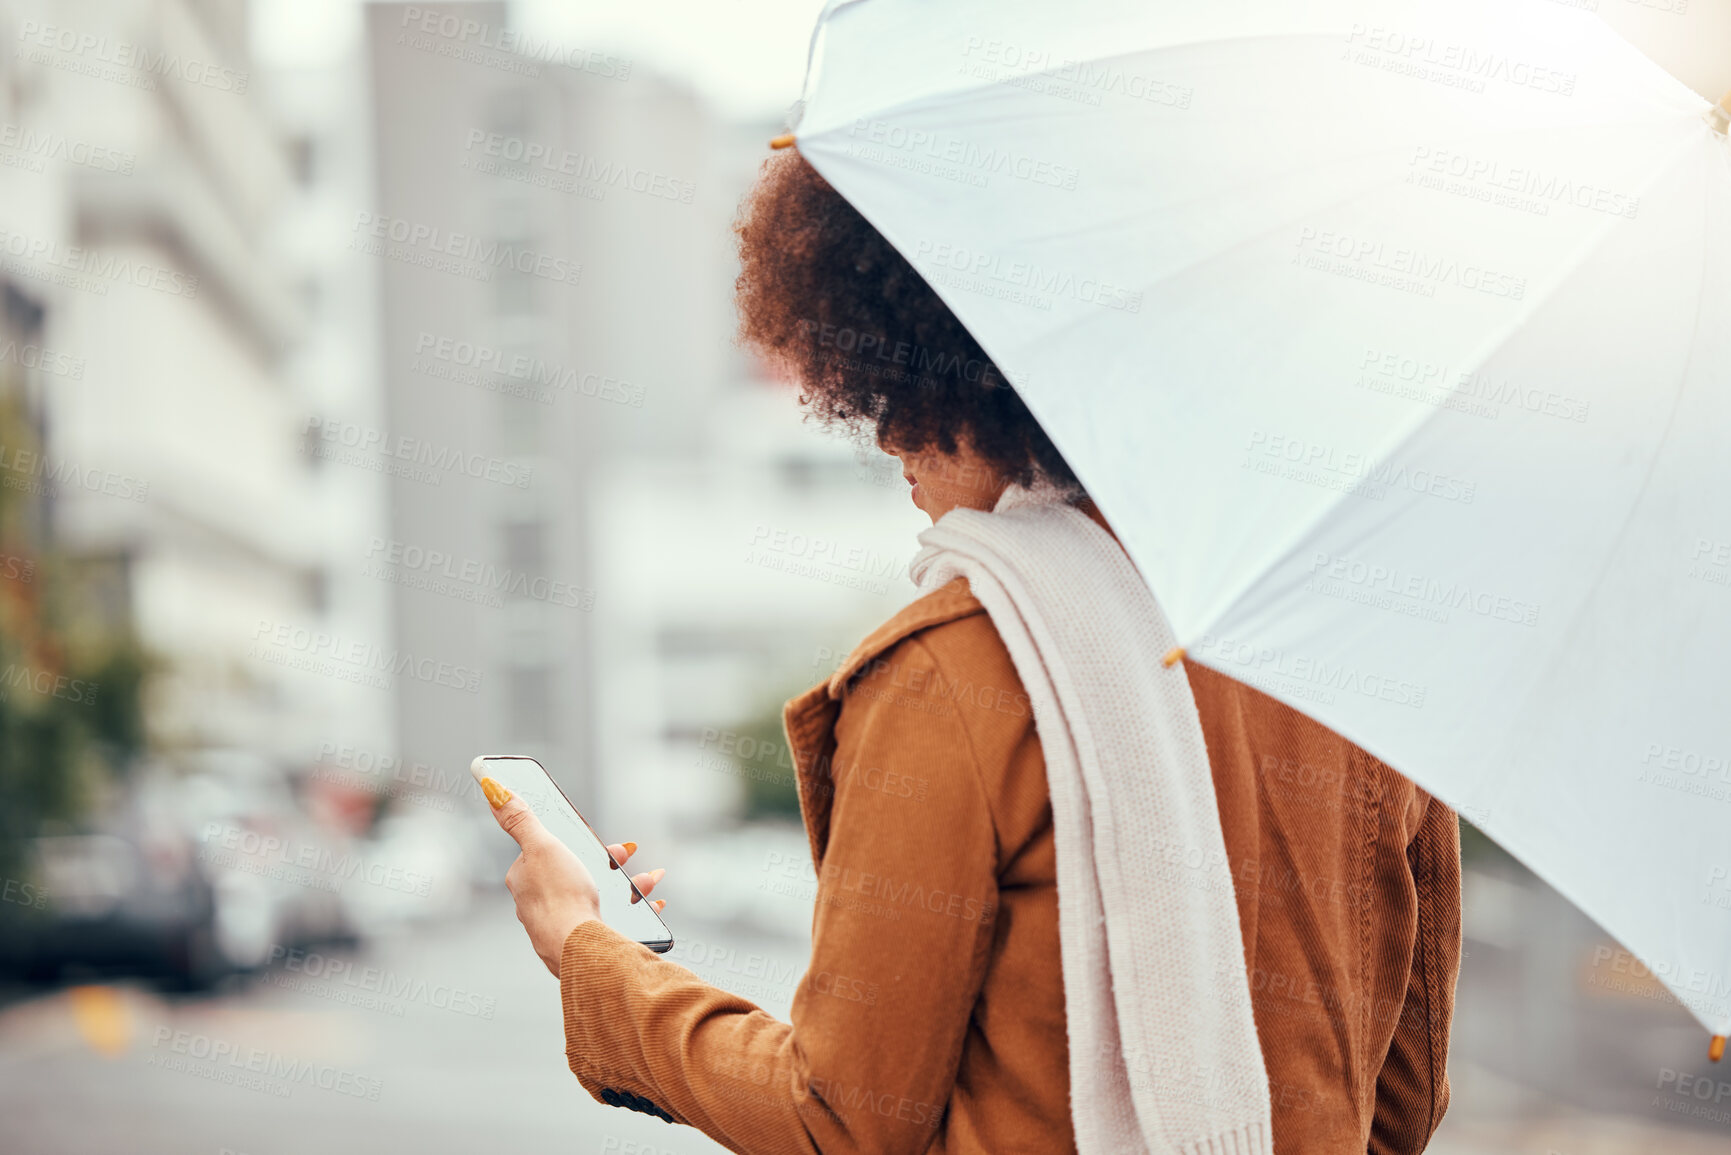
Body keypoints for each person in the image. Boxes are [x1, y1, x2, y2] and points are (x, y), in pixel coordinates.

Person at [483, 150, 1463, 1154]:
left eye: (889, 410)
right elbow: (1402, 1101)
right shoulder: (1348, 656)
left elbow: (842, 1121)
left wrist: (589, 951)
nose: (888, 442)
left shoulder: (952, 674)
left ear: (926, 370)